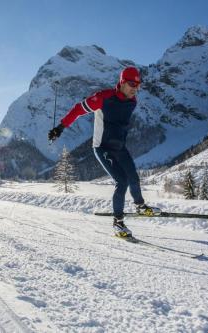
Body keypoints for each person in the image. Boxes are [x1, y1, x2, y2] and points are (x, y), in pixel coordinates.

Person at [48, 66, 160, 238]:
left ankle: (140, 206)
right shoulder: (103, 98)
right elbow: (78, 109)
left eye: (138, 85)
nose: (135, 89)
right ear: (122, 82)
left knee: (133, 177)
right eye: (132, 84)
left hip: (120, 148)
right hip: (102, 147)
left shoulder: (133, 101)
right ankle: (118, 223)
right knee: (121, 181)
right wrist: (60, 128)